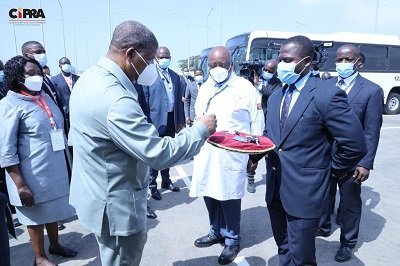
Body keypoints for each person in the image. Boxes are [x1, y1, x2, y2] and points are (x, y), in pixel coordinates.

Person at [68, 20, 217, 266]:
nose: (150, 67)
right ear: (130, 54)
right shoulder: (115, 98)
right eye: (148, 60)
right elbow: (158, 153)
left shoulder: (89, 78)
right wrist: (199, 130)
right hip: (116, 207)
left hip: (96, 194)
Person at [259, 35, 367, 265]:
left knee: (302, 256)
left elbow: (355, 143)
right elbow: (272, 135)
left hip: (306, 191)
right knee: (284, 247)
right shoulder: (277, 94)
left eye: (287, 60)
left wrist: (330, 170)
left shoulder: (326, 94)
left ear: (306, 62)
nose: (281, 65)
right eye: (280, 59)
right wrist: (255, 148)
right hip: (276, 187)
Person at [190, 46, 264, 265]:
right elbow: (198, 117)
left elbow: (256, 123)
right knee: (209, 191)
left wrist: (255, 156)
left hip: (233, 152)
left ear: (231, 64)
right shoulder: (204, 88)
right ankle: (215, 231)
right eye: (213, 65)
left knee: (229, 195)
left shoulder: (245, 87)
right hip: (207, 151)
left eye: (222, 64)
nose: (218, 68)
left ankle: (232, 238)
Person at [0, 55, 77, 266]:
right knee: (34, 217)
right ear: (17, 78)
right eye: (31, 74)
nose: (38, 76)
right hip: (29, 174)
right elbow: (6, 150)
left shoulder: (43, 96)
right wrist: (20, 185)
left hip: (53, 169)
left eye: (39, 72)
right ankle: (40, 257)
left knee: (51, 210)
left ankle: (55, 245)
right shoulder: (9, 104)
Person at [317, 44, 383, 263]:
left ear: (359, 62)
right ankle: (324, 226)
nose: (342, 63)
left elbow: (371, 132)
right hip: (326, 156)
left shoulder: (371, 91)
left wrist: (365, 163)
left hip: (353, 160)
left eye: (347, 59)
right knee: (325, 196)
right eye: (339, 59)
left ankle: (348, 242)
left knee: (350, 203)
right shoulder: (326, 85)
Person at [142, 46, 186, 200]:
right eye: (161, 57)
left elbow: (179, 100)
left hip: (171, 118)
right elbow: (144, 101)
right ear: (156, 58)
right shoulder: (148, 76)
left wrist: (180, 120)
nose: (164, 59)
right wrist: (146, 122)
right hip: (155, 121)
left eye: (166, 56)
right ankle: (152, 185)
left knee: (167, 152)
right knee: (155, 154)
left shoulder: (175, 76)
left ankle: (166, 181)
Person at [249, 59, 282, 193]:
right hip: (254, 121)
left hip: (268, 122)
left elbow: (275, 95)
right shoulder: (253, 78)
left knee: (269, 154)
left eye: (270, 71)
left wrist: (260, 87)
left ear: (275, 72)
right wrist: (253, 82)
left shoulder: (278, 83)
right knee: (254, 153)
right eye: (266, 70)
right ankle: (250, 178)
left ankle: (271, 178)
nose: (267, 72)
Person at [51, 57, 80, 129]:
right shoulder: (54, 80)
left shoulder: (77, 78)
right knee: (66, 131)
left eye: (68, 63)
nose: (66, 65)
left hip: (77, 110)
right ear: (60, 66)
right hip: (64, 112)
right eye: (64, 63)